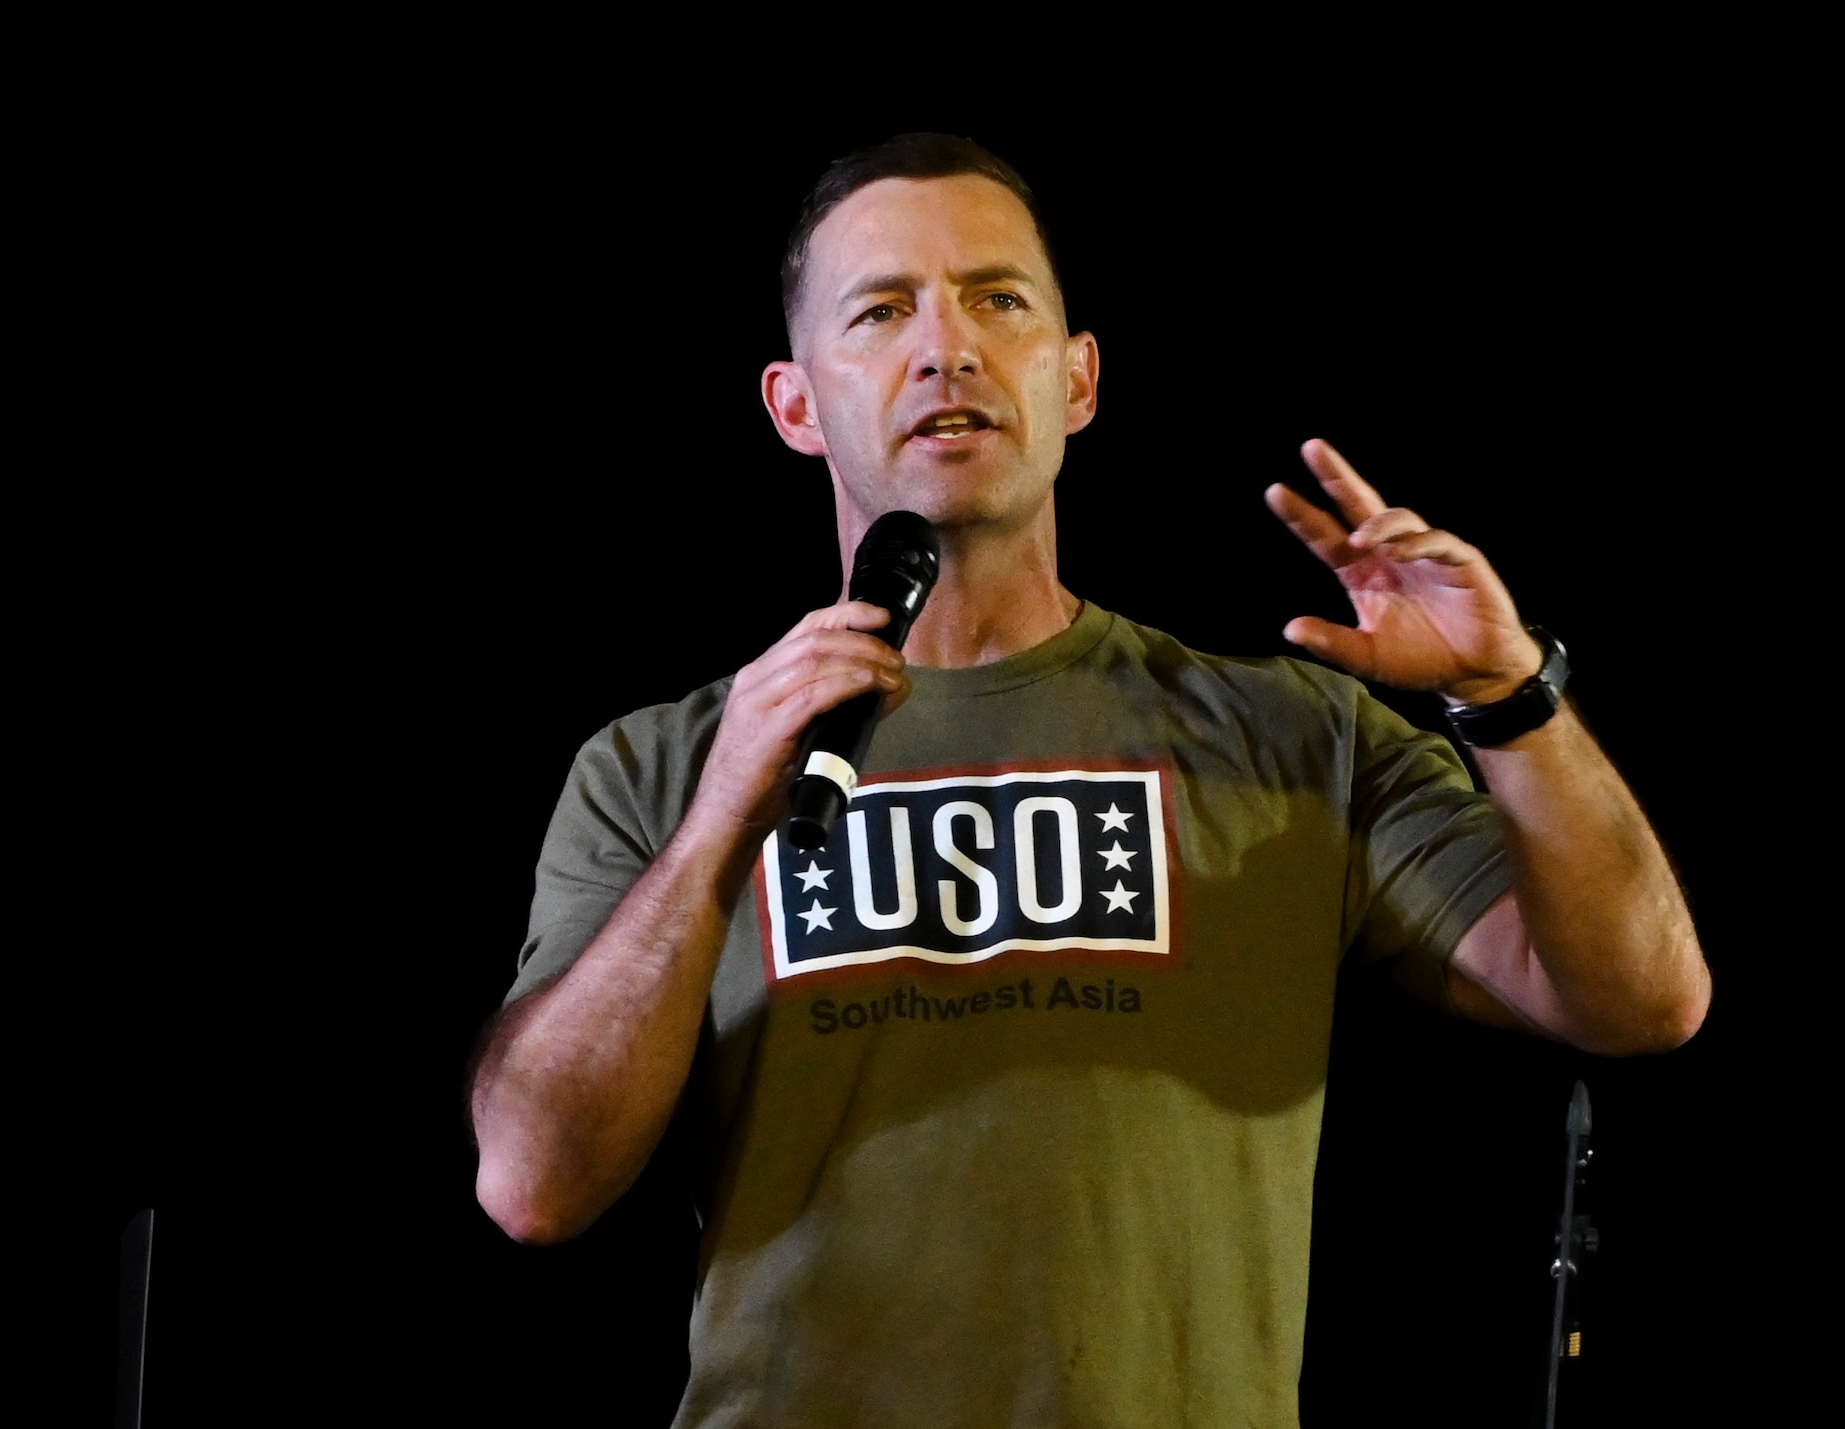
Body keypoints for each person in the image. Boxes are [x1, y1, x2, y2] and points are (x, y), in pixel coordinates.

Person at [469, 134, 1709, 1427]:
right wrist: (723, 817)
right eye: (883, 309)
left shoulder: (1290, 735)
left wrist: (1507, 701)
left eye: (998, 299)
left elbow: (1643, 995)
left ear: (1078, 379)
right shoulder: (661, 768)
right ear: (794, 404)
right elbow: (532, 1181)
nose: (945, 346)